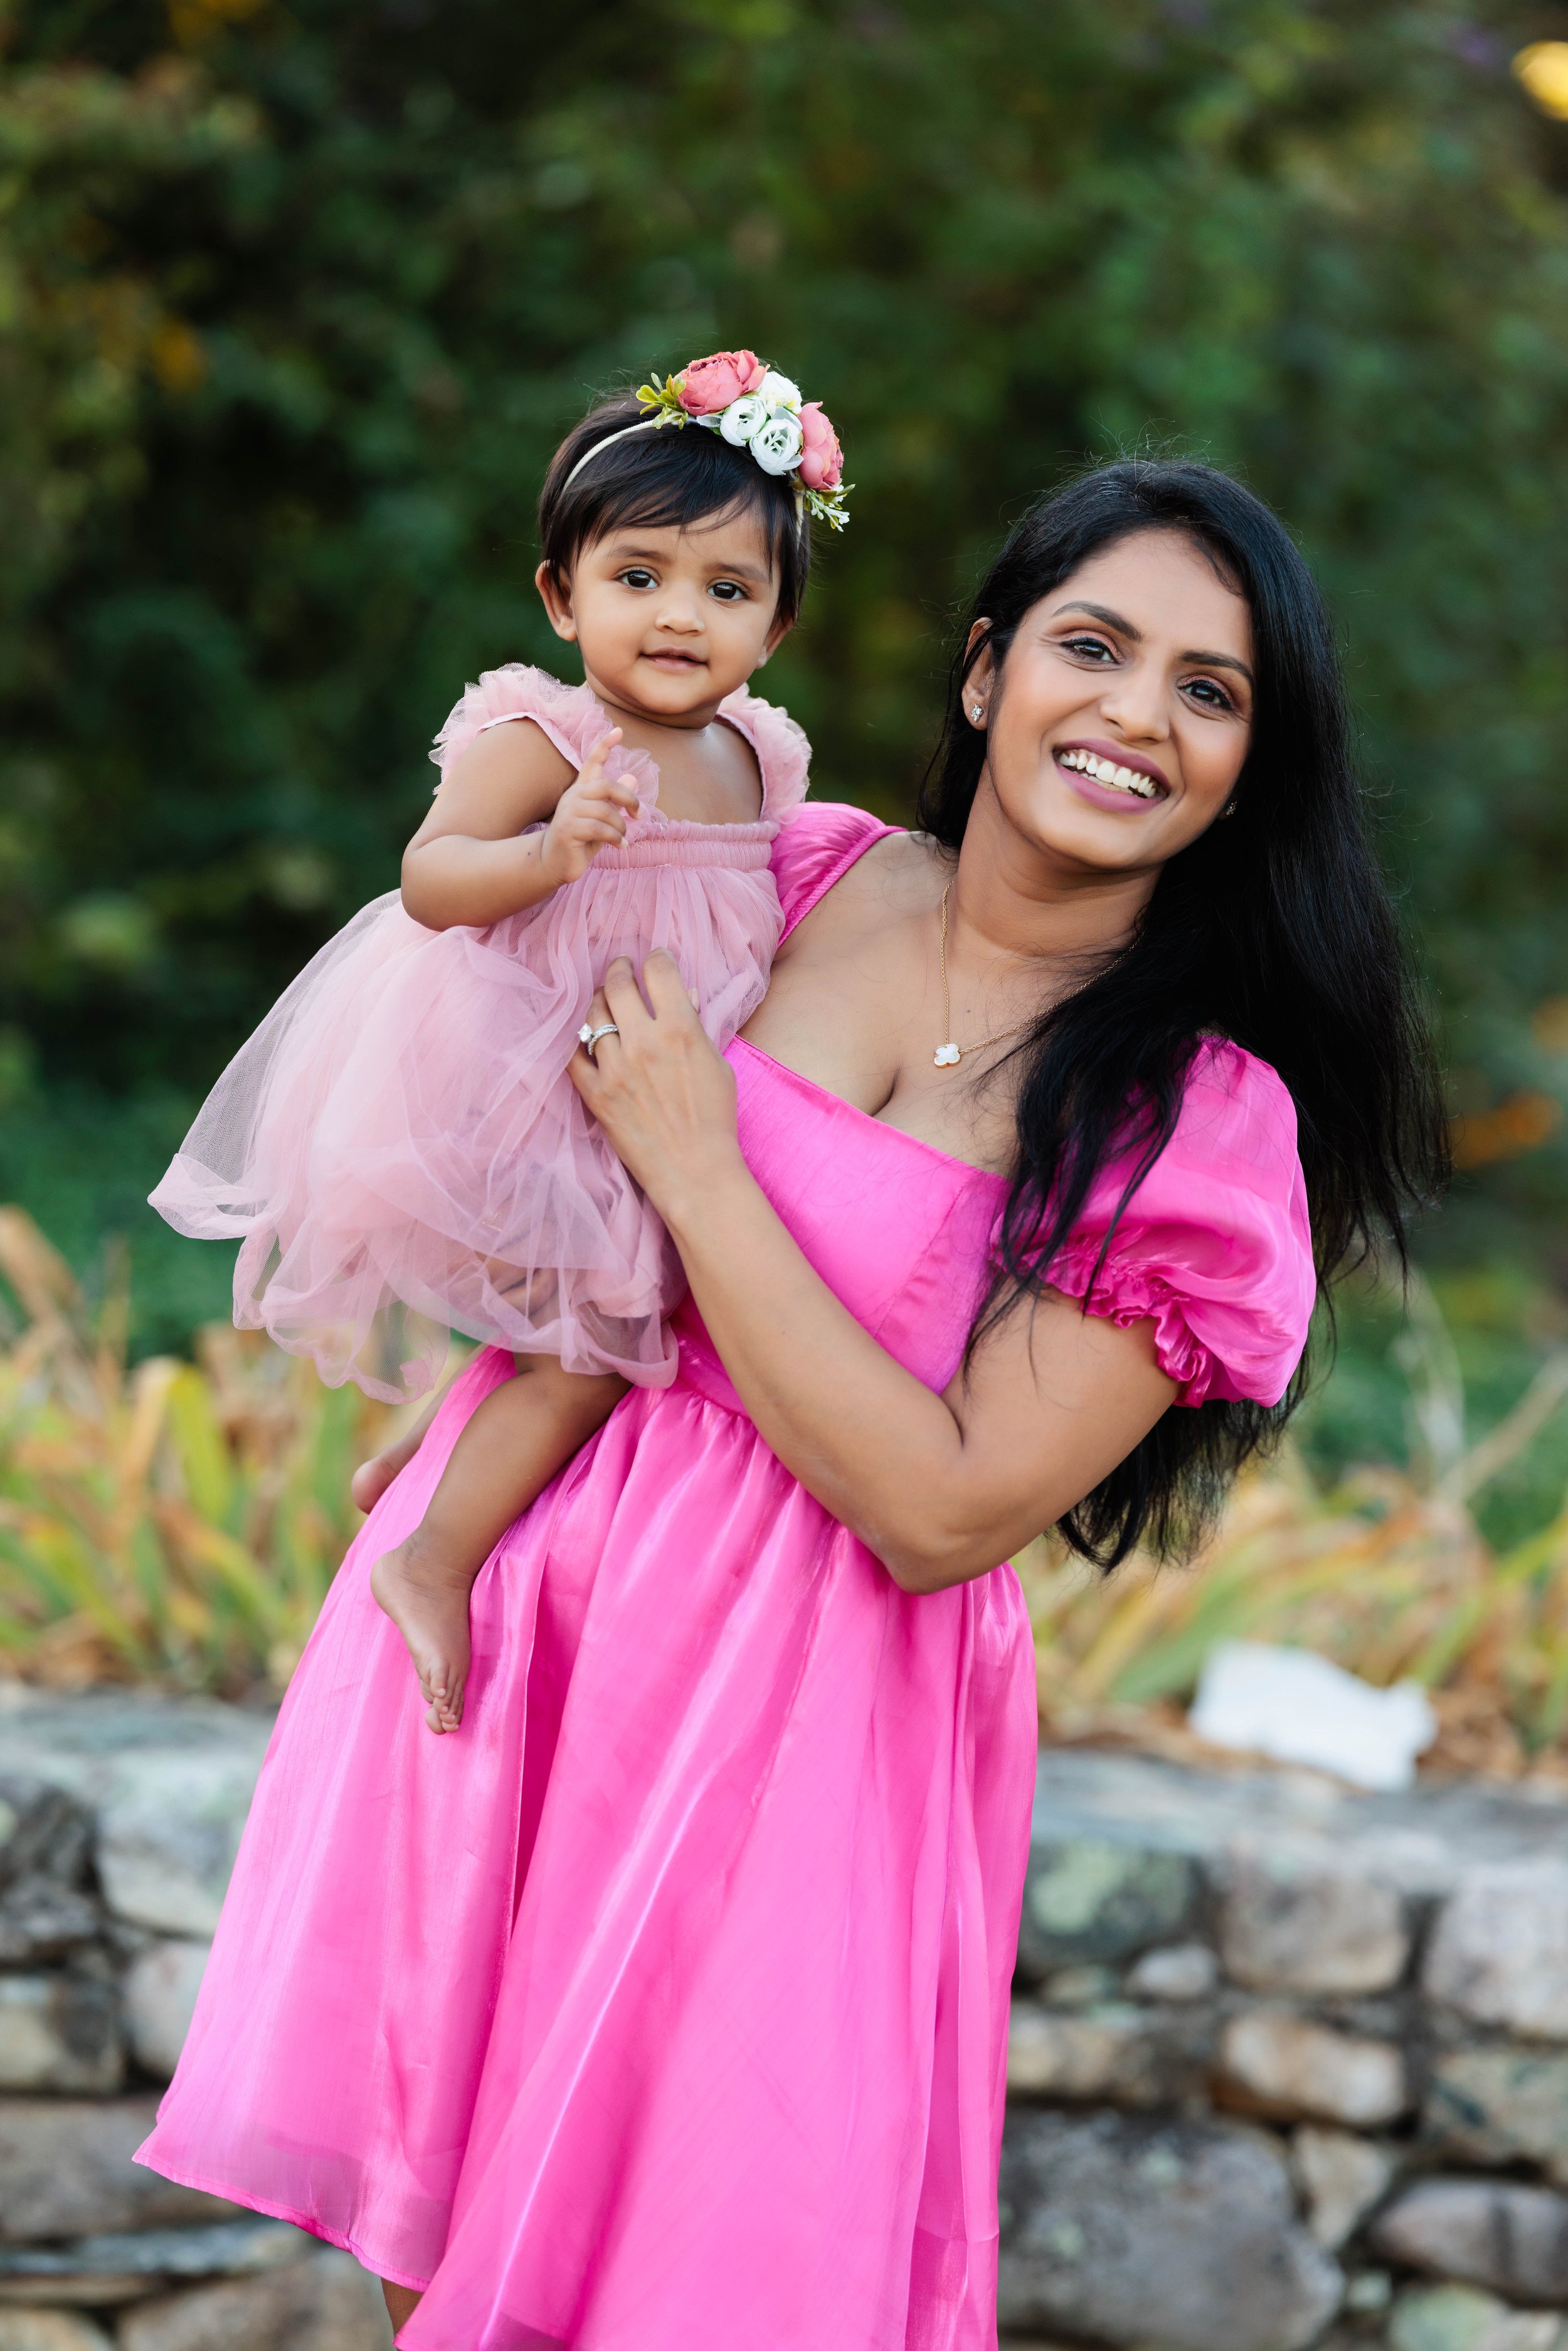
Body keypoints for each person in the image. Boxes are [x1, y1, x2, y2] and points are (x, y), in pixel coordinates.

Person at [135, 459, 1447, 2350]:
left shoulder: (1196, 1119)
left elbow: (940, 1506)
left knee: (709, 2271)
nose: (1136, 713)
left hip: (802, 1725)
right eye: (1092, 645)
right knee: (461, 2252)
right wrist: (470, 1416)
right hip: (539, 1628)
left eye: (1208, 688)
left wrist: (704, 1166)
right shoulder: (794, 861)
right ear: (987, 670)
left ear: (1250, 762)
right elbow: (533, 1142)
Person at [149, 351, 847, 1732]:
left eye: (726, 590)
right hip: (538, 1077)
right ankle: (428, 1555)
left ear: (771, 629)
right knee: (587, 1351)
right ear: (561, 593)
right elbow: (430, 878)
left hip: (670, 1089)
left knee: (613, 1328)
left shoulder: (759, 754)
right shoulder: (547, 728)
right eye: (637, 576)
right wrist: (550, 848)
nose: (676, 615)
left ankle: (413, 1454)